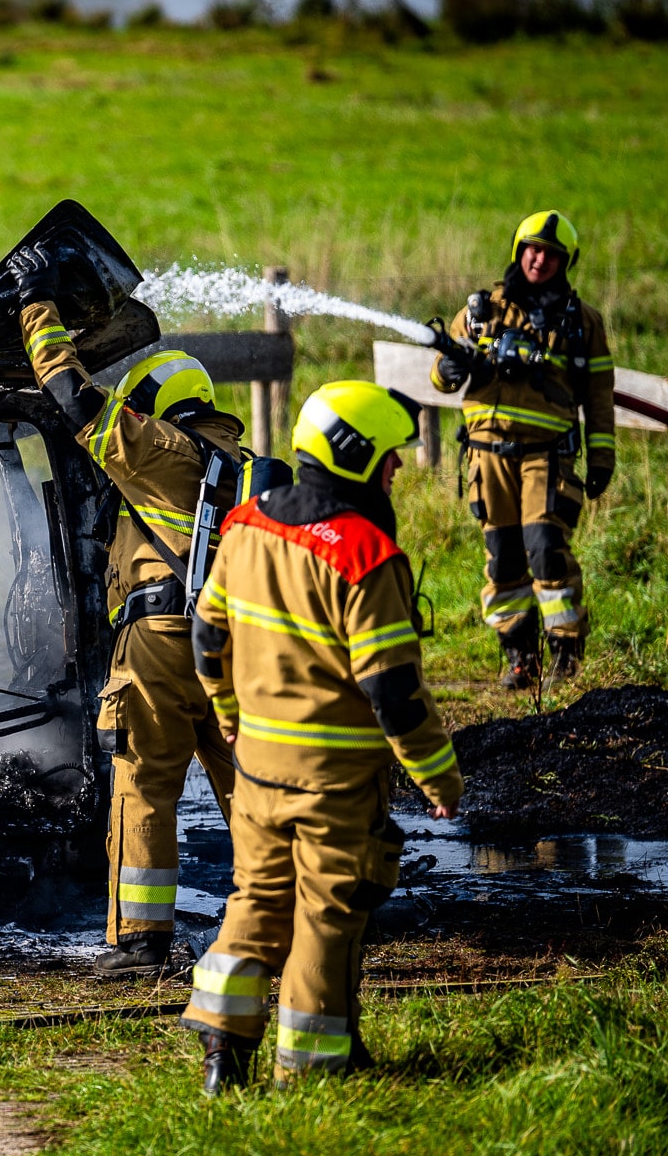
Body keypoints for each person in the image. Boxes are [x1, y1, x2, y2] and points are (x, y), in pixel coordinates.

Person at [182, 382, 463, 1091]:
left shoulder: (245, 525)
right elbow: (393, 694)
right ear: (357, 456)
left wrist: (226, 712)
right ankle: (307, 1075)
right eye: (391, 458)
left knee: (255, 898)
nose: (397, 470)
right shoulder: (366, 556)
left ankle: (223, 1053)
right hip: (335, 781)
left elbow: (206, 633)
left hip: (256, 771)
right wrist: (439, 778)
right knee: (326, 913)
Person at [13, 246, 246, 978]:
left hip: (163, 641)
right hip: (236, 642)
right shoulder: (241, 462)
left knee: (144, 781)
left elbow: (72, 397)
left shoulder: (161, 448)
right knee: (249, 777)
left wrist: (36, 304)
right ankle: (285, 912)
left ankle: (140, 942)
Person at [431, 211, 616, 687]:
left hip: (546, 456)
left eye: (551, 254)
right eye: (533, 249)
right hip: (486, 455)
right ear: (519, 250)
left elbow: (598, 396)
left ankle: (564, 654)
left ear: (565, 262)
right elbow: (442, 371)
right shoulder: (482, 311)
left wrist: (601, 458)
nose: (540, 260)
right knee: (504, 556)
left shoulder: (582, 322)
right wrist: (447, 371)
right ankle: (520, 656)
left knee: (546, 550)